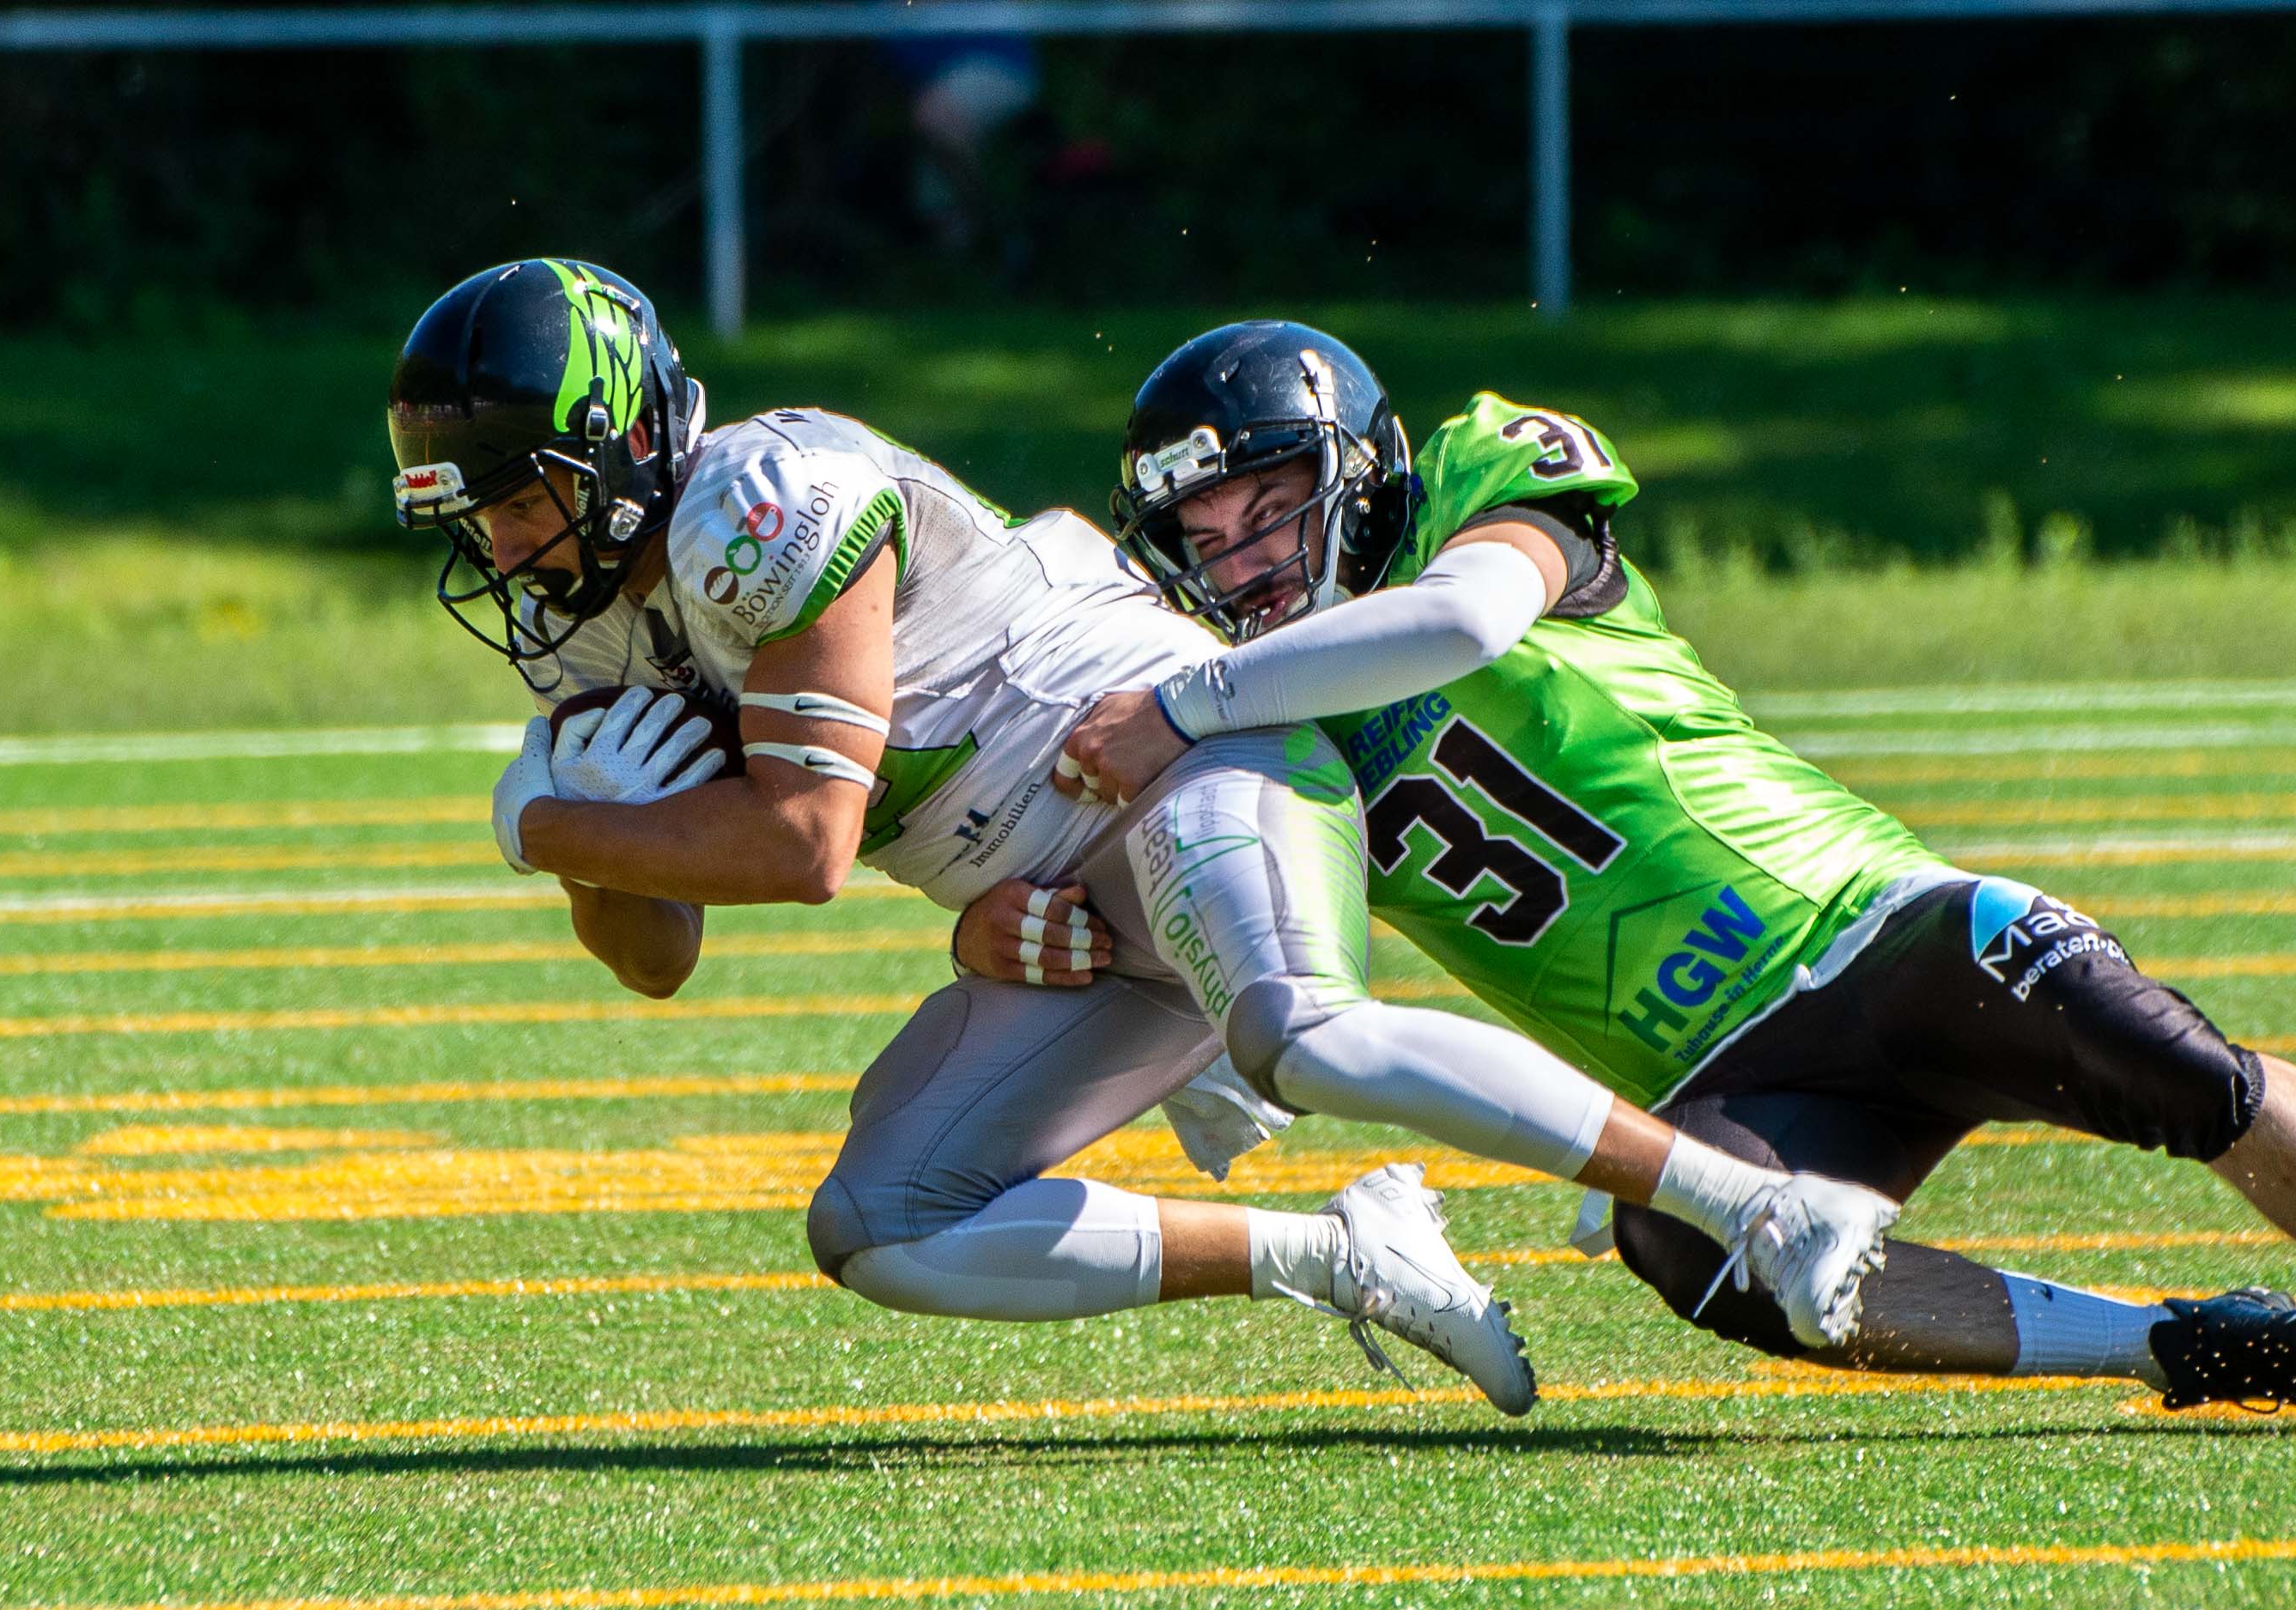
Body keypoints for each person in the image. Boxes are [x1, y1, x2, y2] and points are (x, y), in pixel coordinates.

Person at [1048, 319, 2296, 1430]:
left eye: (1268, 504)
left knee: (2183, 1069)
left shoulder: (1481, 483)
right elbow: (1207, 919)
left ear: (1356, 470)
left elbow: (1466, 622)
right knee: (1705, 1260)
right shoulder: (1255, 736)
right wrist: (1041, 926)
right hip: (1714, 1071)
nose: (1245, 557)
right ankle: (2183, 1342)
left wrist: (1182, 700)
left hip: (1872, 923)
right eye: (1209, 536)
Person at [383, 260, 1908, 1419]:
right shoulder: (576, 626)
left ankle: (1756, 1203)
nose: (504, 547)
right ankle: (1335, 1253)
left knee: (1308, 1035)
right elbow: (654, 960)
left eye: (525, 502)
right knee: (880, 1224)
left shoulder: (764, 503)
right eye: (478, 517)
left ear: (629, 442)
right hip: (1062, 909)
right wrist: (602, 850)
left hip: (1185, 771)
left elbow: (805, 843)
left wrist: (545, 823)